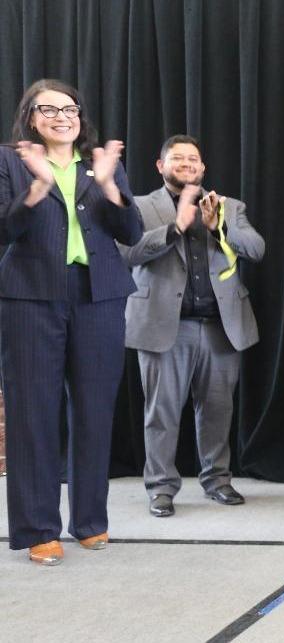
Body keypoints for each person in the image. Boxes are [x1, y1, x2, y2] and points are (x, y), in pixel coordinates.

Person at [0, 79, 143, 565]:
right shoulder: (10, 161)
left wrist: (107, 184)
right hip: (30, 298)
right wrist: (38, 187)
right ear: (30, 116)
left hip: (98, 296)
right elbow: (3, 229)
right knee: (32, 414)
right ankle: (38, 526)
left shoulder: (103, 165)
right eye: (49, 109)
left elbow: (131, 231)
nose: (62, 117)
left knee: (94, 410)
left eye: (70, 109)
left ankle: (89, 520)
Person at [121, 135, 265, 518]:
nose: (187, 164)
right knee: (162, 413)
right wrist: (176, 228)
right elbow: (128, 253)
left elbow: (256, 248)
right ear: (160, 165)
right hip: (164, 325)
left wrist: (218, 226)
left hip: (220, 327)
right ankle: (161, 489)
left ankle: (217, 480)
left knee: (218, 410)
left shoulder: (228, 207)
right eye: (178, 158)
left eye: (194, 159)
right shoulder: (139, 206)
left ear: (202, 168)